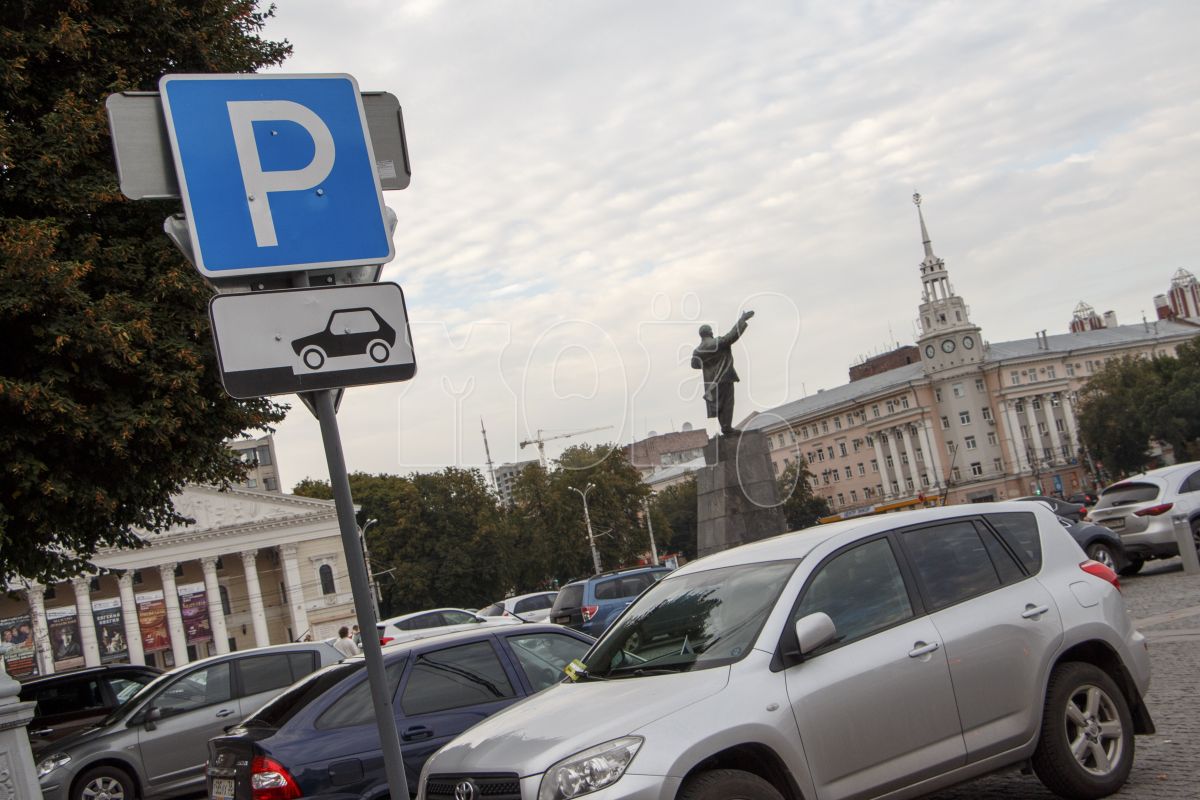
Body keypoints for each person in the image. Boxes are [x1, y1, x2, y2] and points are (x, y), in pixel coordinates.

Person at [691, 310, 755, 436]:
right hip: (724, 377)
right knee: (727, 403)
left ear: (701, 335)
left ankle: (725, 427)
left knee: (719, 404)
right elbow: (732, 336)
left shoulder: (697, 351)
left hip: (711, 384)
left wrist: (707, 363)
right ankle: (727, 427)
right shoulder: (717, 342)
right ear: (710, 332)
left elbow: (694, 364)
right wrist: (742, 319)